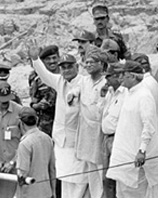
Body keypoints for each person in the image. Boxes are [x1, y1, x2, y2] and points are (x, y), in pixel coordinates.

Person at [28, 41, 89, 198]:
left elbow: (80, 91)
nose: (66, 70)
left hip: (77, 142)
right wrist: (35, 59)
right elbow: (44, 74)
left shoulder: (83, 82)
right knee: (64, 181)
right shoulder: (60, 81)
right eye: (63, 67)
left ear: (77, 67)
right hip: (61, 142)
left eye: (70, 66)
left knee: (79, 183)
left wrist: (74, 93)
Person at [107, 61, 158, 198]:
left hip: (136, 159)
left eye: (124, 74)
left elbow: (149, 125)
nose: (120, 77)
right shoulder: (128, 93)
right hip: (123, 157)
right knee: (122, 192)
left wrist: (142, 150)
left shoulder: (144, 96)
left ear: (133, 76)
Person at [67, 48, 108, 198]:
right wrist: (72, 95)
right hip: (86, 132)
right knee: (91, 169)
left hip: (99, 132)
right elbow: (75, 90)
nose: (88, 65)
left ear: (101, 64)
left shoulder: (105, 82)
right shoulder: (84, 81)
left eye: (92, 62)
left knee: (101, 168)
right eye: (87, 62)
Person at [16, 107, 56, 198]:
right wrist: (53, 191)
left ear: (21, 123)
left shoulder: (24, 144)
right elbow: (52, 168)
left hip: (29, 194)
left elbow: (23, 174)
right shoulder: (47, 139)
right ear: (37, 120)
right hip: (46, 192)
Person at [101, 64, 127, 198]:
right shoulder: (110, 92)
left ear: (118, 76)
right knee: (106, 178)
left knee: (115, 178)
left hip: (118, 138)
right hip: (107, 138)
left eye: (109, 77)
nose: (106, 80)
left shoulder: (126, 93)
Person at [29, 45, 59, 136]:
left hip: (63, 121)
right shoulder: (35, 78)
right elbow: (33, 101)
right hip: (45, 124)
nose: (52, 61)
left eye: (54, 58)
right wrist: (37, 105)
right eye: (48, 59)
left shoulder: (65, 75)